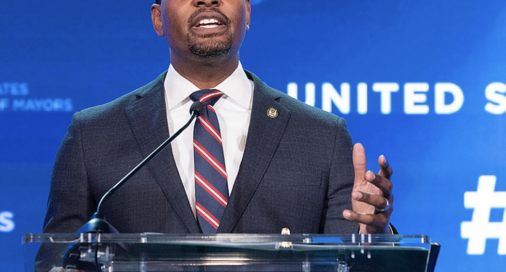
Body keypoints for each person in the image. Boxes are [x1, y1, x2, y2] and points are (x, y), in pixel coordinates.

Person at [42, 0, 394, 236]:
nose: (207, 0)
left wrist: (373, 237)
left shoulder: (322, 137)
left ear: (248, 13)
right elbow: (55, 258)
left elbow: (351, 257)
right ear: (157, 19)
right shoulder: (93, 135)